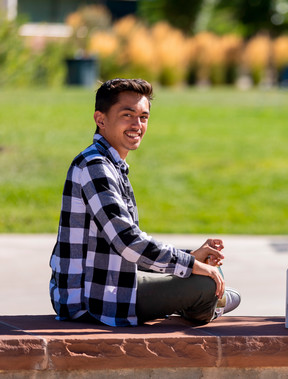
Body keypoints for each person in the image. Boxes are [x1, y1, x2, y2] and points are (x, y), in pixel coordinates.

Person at [49, 78, 240, 327]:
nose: (137, 124)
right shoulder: (95, 167)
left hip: (110, 283)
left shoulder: (111, 164)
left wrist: (191, 256)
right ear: (101, 119)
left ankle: (201, 300)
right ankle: (208, 306)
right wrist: (191, 265)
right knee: (206, 283)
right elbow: (128, 242)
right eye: (127, 115)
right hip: (92, 300)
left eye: (143, 117)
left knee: (208, 272)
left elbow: (129, 247)